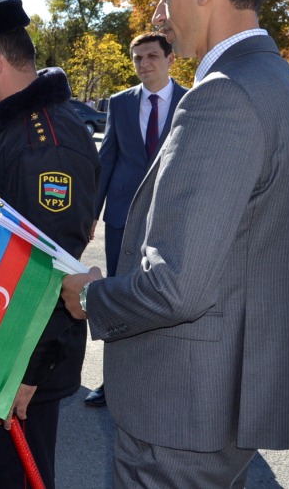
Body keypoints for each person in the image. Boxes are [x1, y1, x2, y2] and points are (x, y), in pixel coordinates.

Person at [61, 0, 289, 488]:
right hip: (223, 404)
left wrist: (91, 297)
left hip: (179, 416)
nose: (159, 12)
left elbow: (176, 285)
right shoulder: (282, 87)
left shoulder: (221, 97)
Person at [0, 0, 100, 489]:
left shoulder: (46, 143)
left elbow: (56, 267)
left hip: (14, 362)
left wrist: (27, 372)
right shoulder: (9, 124)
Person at [84, 31, 187, 408]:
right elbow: (107, 160)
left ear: (170, 59)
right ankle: (114, 382)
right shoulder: (120, 103)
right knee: (118, 294)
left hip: (170, 216)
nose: (144, 64)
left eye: (151, 57)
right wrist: (92, 214)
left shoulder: (191, 101)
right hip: (122, 218)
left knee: (164, 299)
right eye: (137, 58)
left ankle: (159, 380)